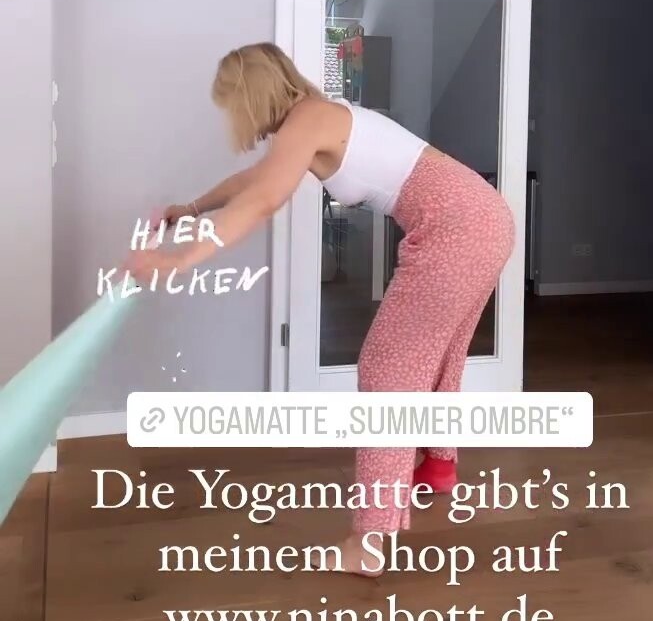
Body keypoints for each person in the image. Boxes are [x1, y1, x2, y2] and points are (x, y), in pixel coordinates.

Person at [127, 41, 515, 575]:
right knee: (439, 353)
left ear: (251, 95)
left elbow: (263, 201)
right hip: (483, 218)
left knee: (388, 373)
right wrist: (189, 209)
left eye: (231, 105)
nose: (233, 120)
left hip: (458, 229)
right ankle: (437, 467)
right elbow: (253, 183)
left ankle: (368, 544)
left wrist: (179, 260)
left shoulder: (310, 119)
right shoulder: (314, 119)